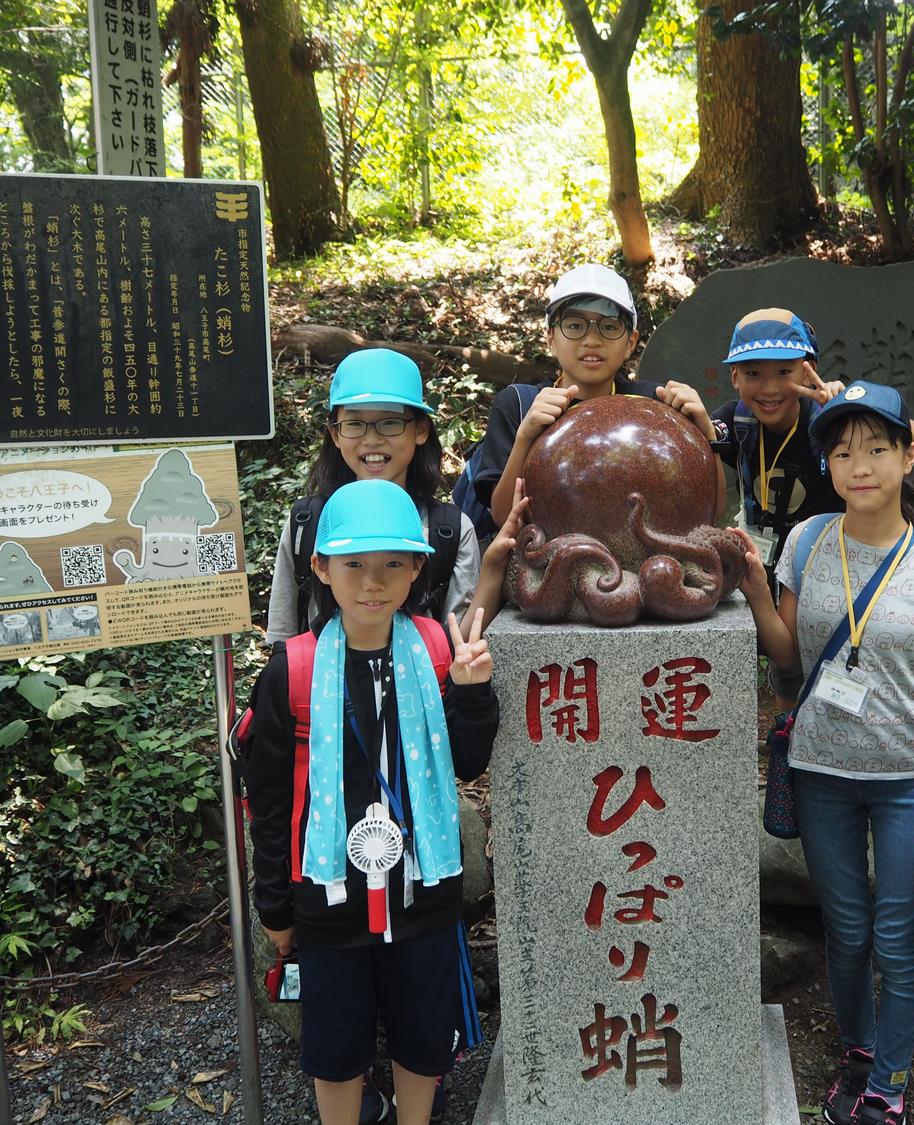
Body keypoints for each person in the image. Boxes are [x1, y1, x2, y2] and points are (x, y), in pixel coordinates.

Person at [735, 381, 914, 1125]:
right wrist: (751, 581)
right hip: (820, 769)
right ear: (829, 465)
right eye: (842, 451)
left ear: (908, 455)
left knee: (897, 934)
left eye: (877, 448)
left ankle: (892, 1083)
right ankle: (859, 1050)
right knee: (845, 928)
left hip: (911, 775)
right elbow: (786, 653)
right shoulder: (806, 543)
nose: (860, 464)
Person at [244, 480, 498, 1125]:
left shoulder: (439, 652)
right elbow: (269, 800)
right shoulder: (291, 670)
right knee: (334, 1042)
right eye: (353, 564)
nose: (372, 583)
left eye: (392, 564)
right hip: (328, 897)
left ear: (418, 569)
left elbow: (467, 763)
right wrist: (274, 902)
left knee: (423, 1030)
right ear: (320, 568)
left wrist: (470, 692)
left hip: (424, 890)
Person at [472, 263, 724, 526]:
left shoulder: (654, 404)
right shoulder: (520, 404)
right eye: (574, 325)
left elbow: (708, 514)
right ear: (550, 337)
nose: (592, 340)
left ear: (631, 342)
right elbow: (504, 518)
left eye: (610, 326)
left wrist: (706, 435)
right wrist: (526, 436)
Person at [266, 348, 479, 645]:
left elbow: (455, 648)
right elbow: (282, 642)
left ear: (420, 430)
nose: (371, 439)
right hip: (316, 689)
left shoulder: (451, 531)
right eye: (354, 423)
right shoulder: (306, 525)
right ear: (335, 434)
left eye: (390, 422)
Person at [710, 308, 914, 576]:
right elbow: (708, 438)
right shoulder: (736, 421)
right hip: (768, 566)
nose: (769, 388)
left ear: (808, 372)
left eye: (783, 371)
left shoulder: (830, 417)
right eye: (753, 374)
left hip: (839, 561)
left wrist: (851, 406)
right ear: (735, 376)